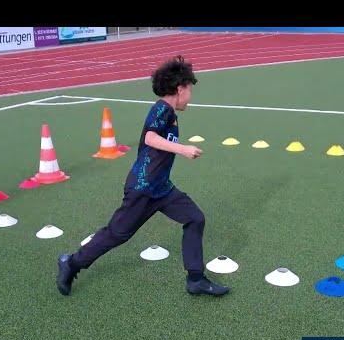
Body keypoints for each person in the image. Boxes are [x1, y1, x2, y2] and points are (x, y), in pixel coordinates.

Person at [56, 55, 229, 297]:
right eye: (189, 89)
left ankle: (196, 279)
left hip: (162, 188)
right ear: (180, 89)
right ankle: (71, 263)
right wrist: (184, 149)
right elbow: (150, 137)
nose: (191, 96)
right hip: (143, 188)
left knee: (195, 218)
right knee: (117, 235)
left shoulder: (170, 113)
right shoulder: (162, 109)